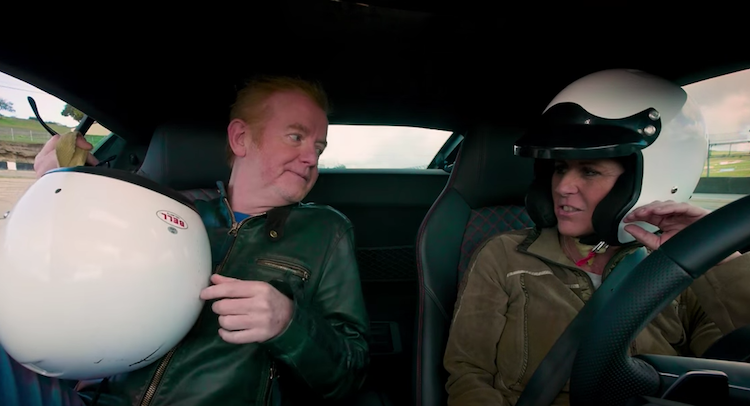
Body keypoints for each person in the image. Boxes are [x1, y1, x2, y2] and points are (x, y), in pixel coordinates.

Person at [0, 76, 370, 406]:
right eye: (296, 137)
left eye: (319, 147)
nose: (311, 158)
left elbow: (349, 377)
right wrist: (63, 188)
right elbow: (63, 272)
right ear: (241, 138)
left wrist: (289, 324)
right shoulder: (166, 210)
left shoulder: (325, 230)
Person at [443, 69, 750, 405]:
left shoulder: (678, 270)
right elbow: (468, 374)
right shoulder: (504, 256)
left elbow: (734, 362)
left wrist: (715, 258)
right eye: (560, 168)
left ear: (649, 178)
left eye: (589, 171)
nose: (562, 187)